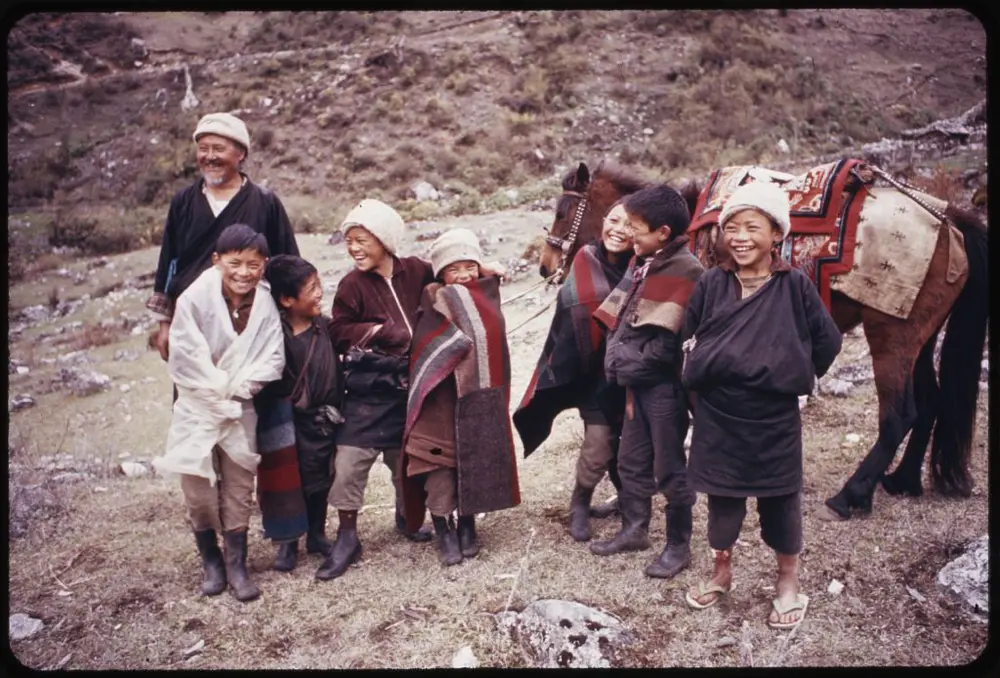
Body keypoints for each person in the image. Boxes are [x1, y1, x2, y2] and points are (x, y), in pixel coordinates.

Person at [680, 181, 842, 629]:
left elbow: (827, 342)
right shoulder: (712, 283)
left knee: (781, 502)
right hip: (718, 414)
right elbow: (688, 340)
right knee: (722, 502)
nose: (740, 237)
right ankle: (721, 573)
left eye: (753, 226)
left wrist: (786, 368)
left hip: (773, 418)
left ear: (777, 235)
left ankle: (788, 583)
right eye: (731, 227)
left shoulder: (795, 288)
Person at [319, 199, 505, 580]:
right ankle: (347, 536)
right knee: (349, 464)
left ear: (385, 240)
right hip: (371, 392)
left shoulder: (417, 271)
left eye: (361, 240)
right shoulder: (352, 286)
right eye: (348, 241)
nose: (353, 248)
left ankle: (409, 519)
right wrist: (385, 333)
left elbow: (452, 281)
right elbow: (338, 331)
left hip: (416, 390)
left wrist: (484, 270)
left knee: (415, 463)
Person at [152, 224, 285, 602]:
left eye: (254, 264)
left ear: (264, 265)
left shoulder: (265, 303)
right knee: (198, 486)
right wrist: (215, 390)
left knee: (240, 482)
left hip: (241, 401)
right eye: (235, 263)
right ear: (217, 261)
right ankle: (211, 560)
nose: (244, 272)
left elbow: (272, 357)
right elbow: (186, 354)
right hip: (196, 402)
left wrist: (238, 389)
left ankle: (237, 564)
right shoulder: (195, 298)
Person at [590, 185, 705, 583]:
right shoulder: (646, 263)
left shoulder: (685, 270)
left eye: (636, 227)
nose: (629, 234)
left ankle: (678, 545)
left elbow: (667, 347)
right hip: (637, 385)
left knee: (670, 467)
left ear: (663, 232)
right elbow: (624, 325)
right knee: (631, 460)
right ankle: (635, 530)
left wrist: (623, 367)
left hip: (664, 392)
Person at [514, 199, 634, 542]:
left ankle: (628, 499)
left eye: (630, 224)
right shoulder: (586, 258)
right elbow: (571, 315)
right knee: (599, 445)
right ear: (603, 220)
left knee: (632, 447)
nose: (618, 229)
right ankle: (579, 503)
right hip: (593, 376)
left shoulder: (645, 266)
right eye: (613, 219)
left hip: (635, 373)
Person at [400, 228, 521, 565]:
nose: (464, 274)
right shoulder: (434, 297)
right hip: (440, 401)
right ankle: (443, 528)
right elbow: (431, 343)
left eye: (470, 265)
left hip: (477, 399)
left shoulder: (486, 295)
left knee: (476, 459)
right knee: (439, 465)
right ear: (441, 273)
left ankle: (467, 523)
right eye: (454, 268)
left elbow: (492, 339)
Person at [146, 112, 299, 362]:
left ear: (241, 154)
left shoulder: (265, 202)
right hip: (194, 324)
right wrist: (165, 325)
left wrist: (294, 319)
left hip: (251, 325)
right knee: (197, 396)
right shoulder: (183, 202)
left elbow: (288, 263)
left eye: (218, 149)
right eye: (203, 149)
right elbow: (169, 263)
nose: (209, 156)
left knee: (250, 394)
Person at [259, 254, 344, 574]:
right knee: (285, 479)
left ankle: (317, 534)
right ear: (286, 299)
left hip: (321, 421)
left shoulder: (326, 328)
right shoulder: (272, 333)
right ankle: (288, 542)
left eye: (319, 284)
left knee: (319, 477)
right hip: (284, 419)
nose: (320, 293)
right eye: (311, 288)